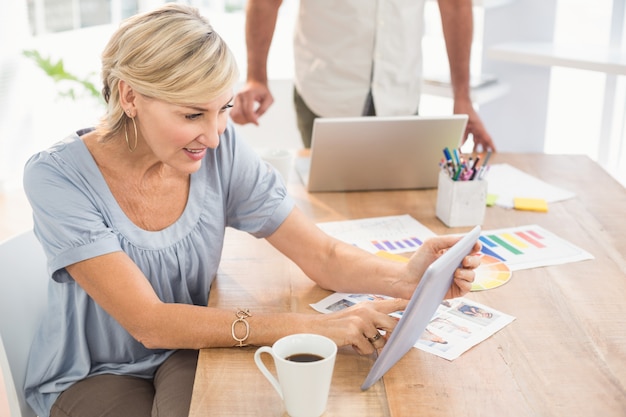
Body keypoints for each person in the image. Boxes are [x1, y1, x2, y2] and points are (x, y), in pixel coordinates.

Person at [22, 4, 481, 417]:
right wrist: (317, 328)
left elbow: (322, 255)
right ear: (129, 97)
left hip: (190, 347)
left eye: (221, 108)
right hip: (97, 372)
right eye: (191, 115)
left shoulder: (215, 152)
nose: (215, 135)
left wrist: (406, 276)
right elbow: (151, 322)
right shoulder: (57, 177)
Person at [231, 0, 496, 152]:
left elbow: (456, 5)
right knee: (329, 213)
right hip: (325, 92)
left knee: (399, 211)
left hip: (400, 95)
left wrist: (462, 97)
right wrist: (256, 77)